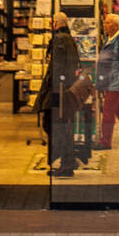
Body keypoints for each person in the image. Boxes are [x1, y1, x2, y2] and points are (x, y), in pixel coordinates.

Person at [34, 11, 80, 176]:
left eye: (52, 22)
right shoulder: (69, 39)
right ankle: (68, 160)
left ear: (55, 23)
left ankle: (66, 164)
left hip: (58, 90)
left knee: (54, 125)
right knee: (62, 125)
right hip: (65, 89)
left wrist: (55, 91)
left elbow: (58, 68)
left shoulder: (59, 40)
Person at [94, 12, 119, 150]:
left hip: (116, 81)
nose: (105, 25)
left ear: (116, 25)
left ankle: (105, 142)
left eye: (108, 22)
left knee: (108, 111)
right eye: (105, 22)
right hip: (108, 81)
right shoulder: (108, 39)